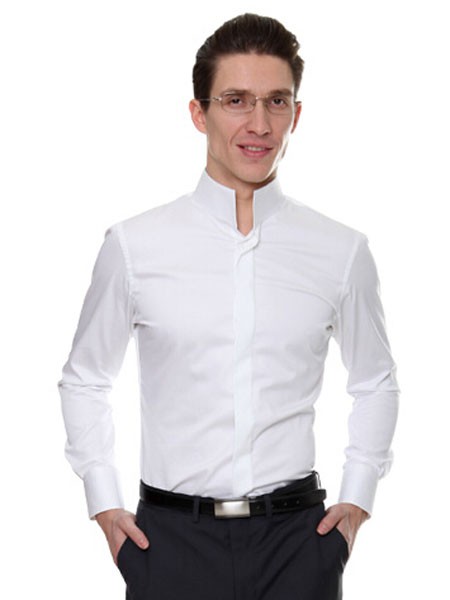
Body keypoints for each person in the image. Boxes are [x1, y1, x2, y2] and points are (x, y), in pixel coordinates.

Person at [59, 13, 399, 600]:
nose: (259, 124)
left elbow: (376, 381)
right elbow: (84, 379)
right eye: (236, 100)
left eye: (276, 102)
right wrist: (104, 504)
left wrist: (356, 501)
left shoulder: (342, 251)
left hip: (298, 545)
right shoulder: (134, 246)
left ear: (296, 114)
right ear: (200, 113)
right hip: (169, 544)